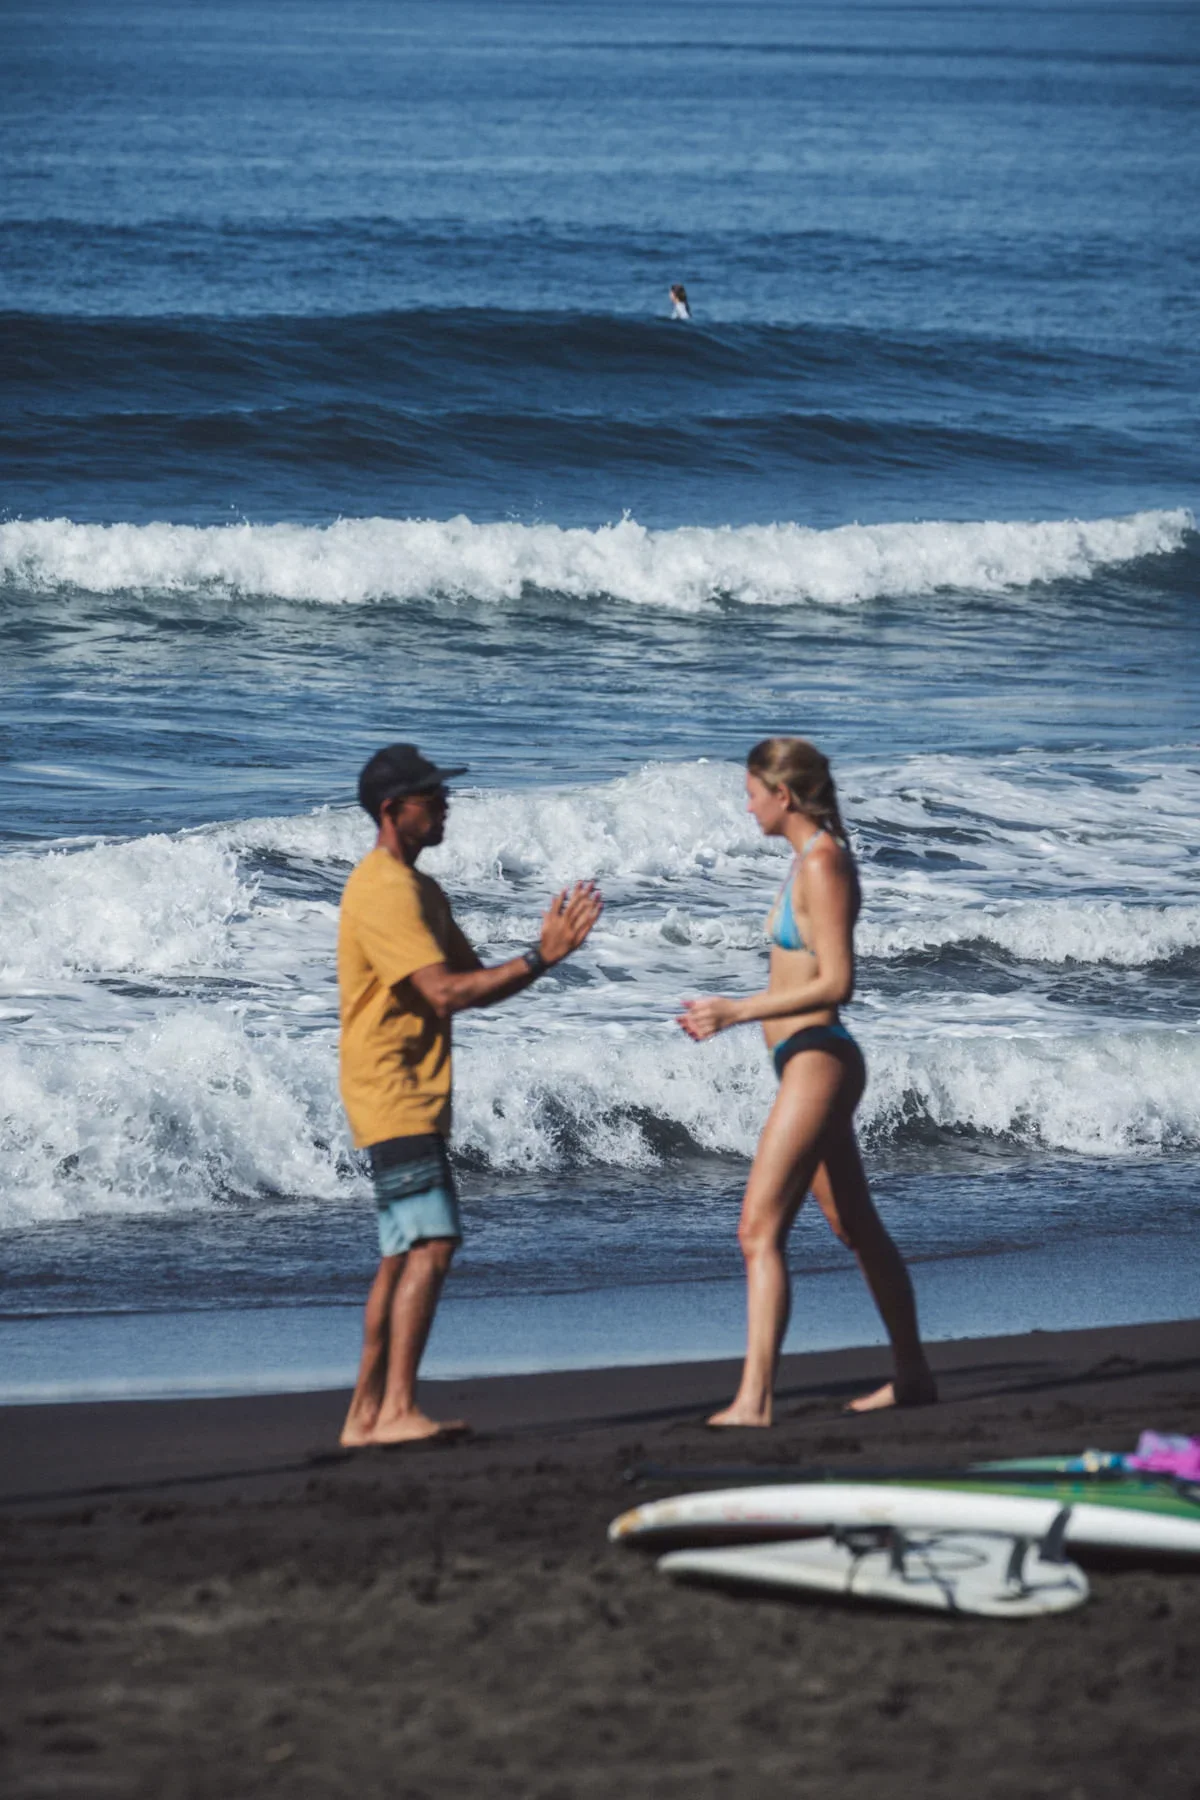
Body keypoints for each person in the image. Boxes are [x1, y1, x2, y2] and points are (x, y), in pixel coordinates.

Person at [337, 743, 602, 1446]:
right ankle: (393, 1410)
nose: (445, 803)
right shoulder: (385, 890)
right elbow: (446, 993)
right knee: (432, 1245)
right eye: (431, 795)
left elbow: (472, 982)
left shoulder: (420, 890)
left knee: (403, 1253)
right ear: (394, 811)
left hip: (407, 1092)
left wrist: (542, 955)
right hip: (393, 1091)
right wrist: (543, 956)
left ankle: (366, 1415)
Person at [678, 737, 936, 1424]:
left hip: (820, 1058)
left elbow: (837, 982)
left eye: (752, 791)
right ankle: (912, 1375)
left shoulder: (823, 863)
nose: (747, 804)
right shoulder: (805, 861)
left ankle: (754, 1401)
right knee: (854, 1225)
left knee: (757, 1230)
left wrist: (736, 1010)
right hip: (804, 1061)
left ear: (782, 795)